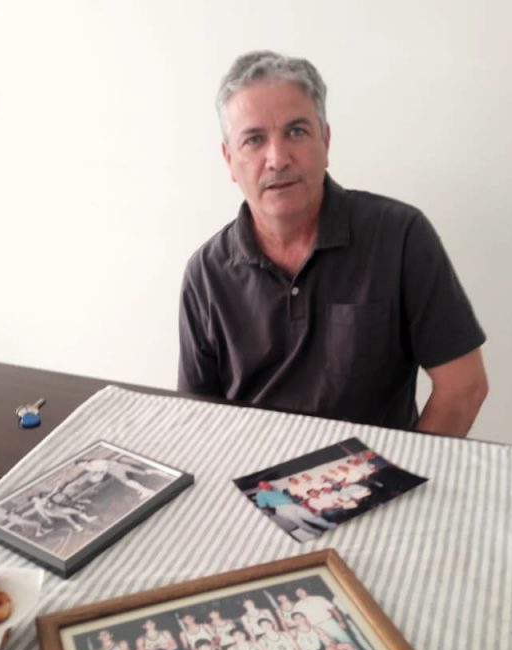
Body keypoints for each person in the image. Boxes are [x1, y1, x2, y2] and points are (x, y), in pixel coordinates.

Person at [178, 51, 488, 436]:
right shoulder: (205, 274)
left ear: (325, 141)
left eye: (296, 132)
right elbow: (197, 418)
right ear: (229, 160)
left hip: (375, 467)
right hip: (252, 467)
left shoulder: (400, 236)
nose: (277, 159)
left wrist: (399, 470)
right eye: (254, 140)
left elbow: (464, 387)